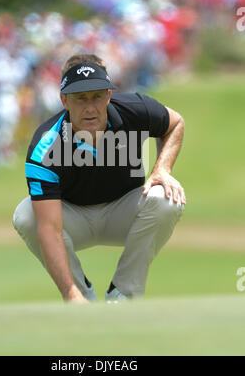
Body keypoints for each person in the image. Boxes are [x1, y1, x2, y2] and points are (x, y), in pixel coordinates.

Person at [13, 54, 186, 304]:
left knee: (166, 198)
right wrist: (70, 294)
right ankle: (80, 298)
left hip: (124, 211)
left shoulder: (134, 109)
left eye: (96, 96)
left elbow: (175, 123)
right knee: (26, 214)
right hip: (72, 219)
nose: (90, 107)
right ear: (64, 101)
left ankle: (124, 295)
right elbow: (50, 229)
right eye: (80, 99)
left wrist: (162, 169)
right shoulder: (45, 146)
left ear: (108, 96)